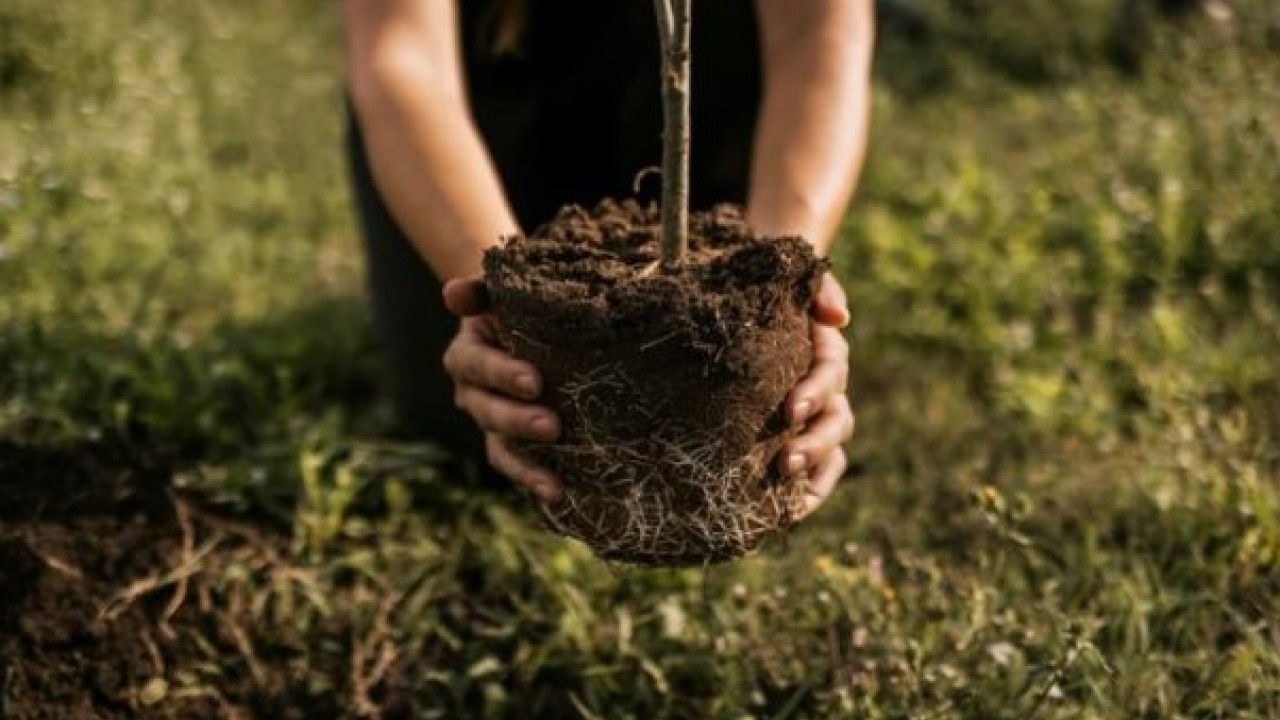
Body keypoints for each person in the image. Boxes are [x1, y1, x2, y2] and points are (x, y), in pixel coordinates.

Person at [341, 0, 871, 517]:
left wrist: (783, 282)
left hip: (707, 104)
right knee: (464, 416)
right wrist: (496, 291)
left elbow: (817, 33)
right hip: (491, 94)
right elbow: (403, 57)